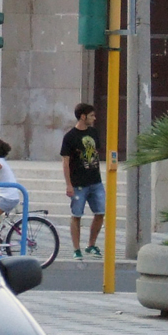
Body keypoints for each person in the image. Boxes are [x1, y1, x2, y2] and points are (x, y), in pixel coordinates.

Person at [60, 102, 105, 260]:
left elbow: (95, 152)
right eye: (92, 115)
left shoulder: (93, 132)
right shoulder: (70, 137)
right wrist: (68, 184)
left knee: (100, 212)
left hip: (95, 181)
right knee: (76, 215)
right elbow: (65, 162)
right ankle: (76, 248)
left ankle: (91, 245)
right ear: (83, 116)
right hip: (78, 183)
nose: (94, 118)